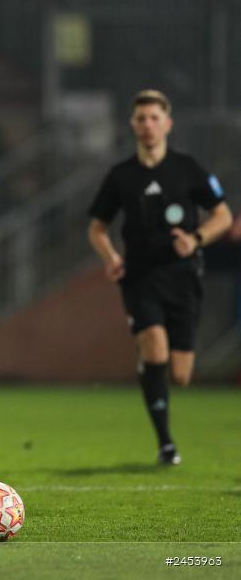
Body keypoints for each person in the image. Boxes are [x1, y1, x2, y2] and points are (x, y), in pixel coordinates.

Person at [87, 89, 232, 465]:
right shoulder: (121, 176)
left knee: (181, 374)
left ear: (167, 123)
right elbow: (97, 228)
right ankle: (166, 444)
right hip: (139, 277)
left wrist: (197, 238)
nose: (148, 125)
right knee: (155, 346)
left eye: (154, 118)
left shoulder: (187, 168)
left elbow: (223, 216)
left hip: (183, 278)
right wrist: (111, 257)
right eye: (141, 118)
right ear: (132, 125)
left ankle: (146, 370)